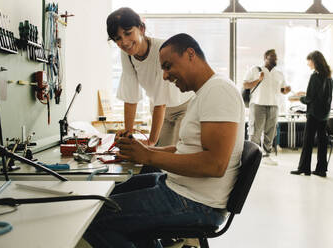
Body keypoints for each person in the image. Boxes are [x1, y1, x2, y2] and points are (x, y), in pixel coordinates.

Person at [83, 33, 245, 248]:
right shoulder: (204, 92)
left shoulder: (219, 90)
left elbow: (215, 165)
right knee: (112, 194)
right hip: (182, 188)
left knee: (94, 219)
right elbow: (182, 149)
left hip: (198, 203)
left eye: (168, 66)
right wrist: (143, 151)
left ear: (190, 54)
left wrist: (150, 156)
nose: (165, 76)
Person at [106, 8, 194, 147]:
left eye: (128, 33)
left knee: (173, 152)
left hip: (183, 107)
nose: (125, 42)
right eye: (118, 38)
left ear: (141, 28)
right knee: (158, 154)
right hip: (159, 109)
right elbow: (130, 96)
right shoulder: (127, 54)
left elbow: (162, 102)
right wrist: (128, 134)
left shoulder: (161, 49)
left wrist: (151, 142)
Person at [243, 49, 291, 165]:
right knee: (255, 131)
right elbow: (245, 85)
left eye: (276, 58)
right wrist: (258, 80)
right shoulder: (255, 70)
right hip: (258, 104)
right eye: (272, 57)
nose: (275, 60)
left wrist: (286, 91)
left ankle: (266, 156)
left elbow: (282, 90)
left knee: (270, 132)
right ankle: (251, 156)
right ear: (265, 58)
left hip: (274, 105)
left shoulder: (279, 73)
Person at [290, 51, 333, 177]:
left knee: (308, 141)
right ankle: (321, 169)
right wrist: (304, 93)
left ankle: (304, 168)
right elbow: (321, 95)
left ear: (314, 61)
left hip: (314, 114)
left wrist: (298, 98)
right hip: (324, 114)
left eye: (309, 61)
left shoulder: (314, 76)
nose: (308, 63)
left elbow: (310, 98)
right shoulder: (329, 77)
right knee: (322, 141)